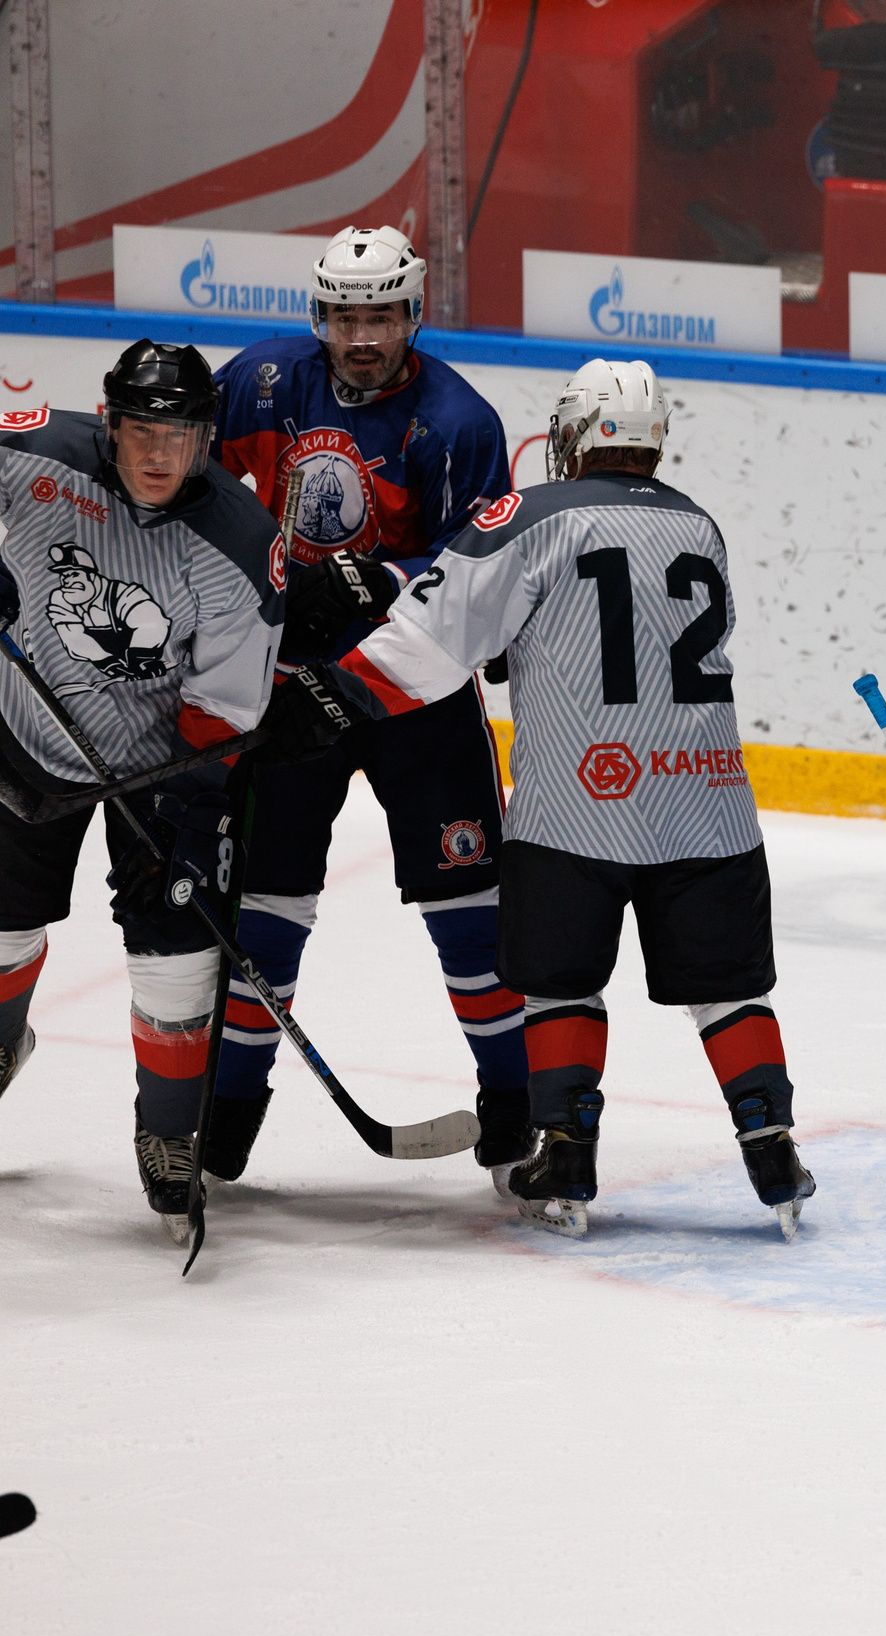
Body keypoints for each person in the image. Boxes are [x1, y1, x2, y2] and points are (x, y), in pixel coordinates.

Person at [315, 359, 811, 1239]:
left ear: (575, 436)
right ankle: (772, 1144)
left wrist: (327, 700)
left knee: (557, 984)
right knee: (728, 988)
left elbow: (429, 639)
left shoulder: (531, 514)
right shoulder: (701, 524)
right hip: (710, 802)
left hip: (578, 803)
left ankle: (567, 1151)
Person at [205, 225, 528, 1185]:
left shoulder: (458, 422)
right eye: (346, 314)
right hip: (291, 684)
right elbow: (187, 486)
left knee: (470, 906)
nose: (362, 335)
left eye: (381, 315)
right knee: (264, 906)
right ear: (319, 315)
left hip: (416, 688)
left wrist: (381, 577)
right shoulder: (260, 384)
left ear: (412, 314)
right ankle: (222, 1127)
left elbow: (484, 569)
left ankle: (514, 1109)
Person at [0, 340, 320, 1238]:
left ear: (207, 437)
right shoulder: (34, 455)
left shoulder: (240, 542)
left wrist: (187, 812)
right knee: (0, 926)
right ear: (109, 423)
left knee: (175, 949)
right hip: (24, 736)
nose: (157, 453)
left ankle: (169, 1131)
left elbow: (225, 703)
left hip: (161, 766)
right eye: (140, 428)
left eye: (178, 434)